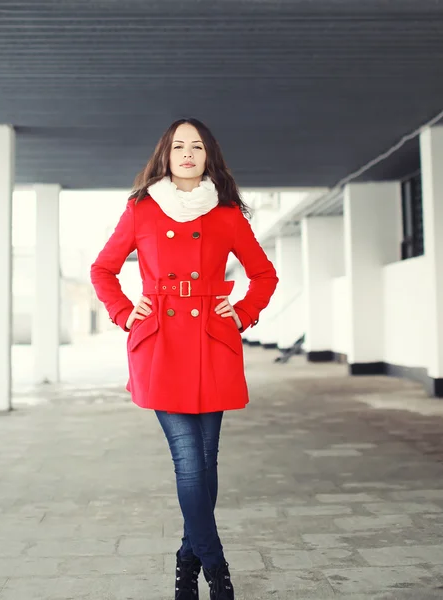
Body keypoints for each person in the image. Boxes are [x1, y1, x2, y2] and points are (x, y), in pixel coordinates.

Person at [90, 118, 278, 600]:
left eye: (197, 146)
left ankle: (185, 562)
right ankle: (217, 570)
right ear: (166, 155)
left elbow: (264, 275)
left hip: (212, 341)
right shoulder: (141, 209)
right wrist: (127, 313)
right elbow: (103, 270)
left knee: (208, 462)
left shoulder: (228, 213)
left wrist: (240, 315)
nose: (188, 153)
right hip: (161, 345)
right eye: (179, 146)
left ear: (208, 156)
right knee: (191, 464)